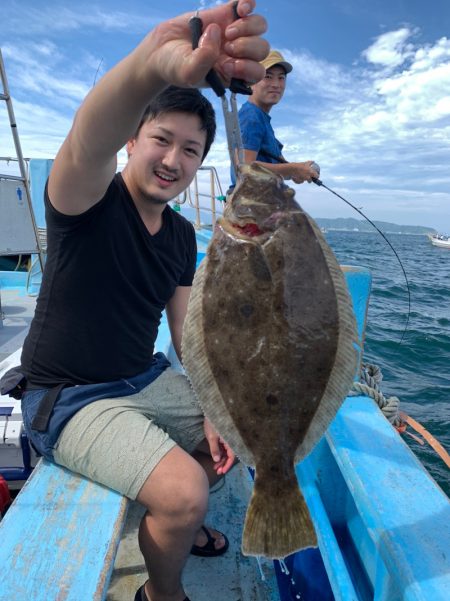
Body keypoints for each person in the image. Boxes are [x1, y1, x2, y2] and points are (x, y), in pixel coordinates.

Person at [9, 3, 268, 601]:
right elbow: (85, 138)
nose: (174, 160)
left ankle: (167, 524)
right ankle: (162, 590)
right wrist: (150, 64)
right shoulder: (86, 200)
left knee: (234, 437)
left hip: (140, 379)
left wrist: (210, 405)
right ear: (132, 140)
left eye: (191, 151)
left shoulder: (179, 238)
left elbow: (185, 333)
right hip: (68, 396)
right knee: (186, 493)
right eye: (162, 139)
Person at [230, 48, 319, 188]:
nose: (276, 84)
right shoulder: (251, 116)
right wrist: (295, 168)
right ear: (251, 81)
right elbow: (244, 169)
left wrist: (298, 171)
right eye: (268, 76)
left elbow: (279, 166)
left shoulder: (262, 118)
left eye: (281, 78)